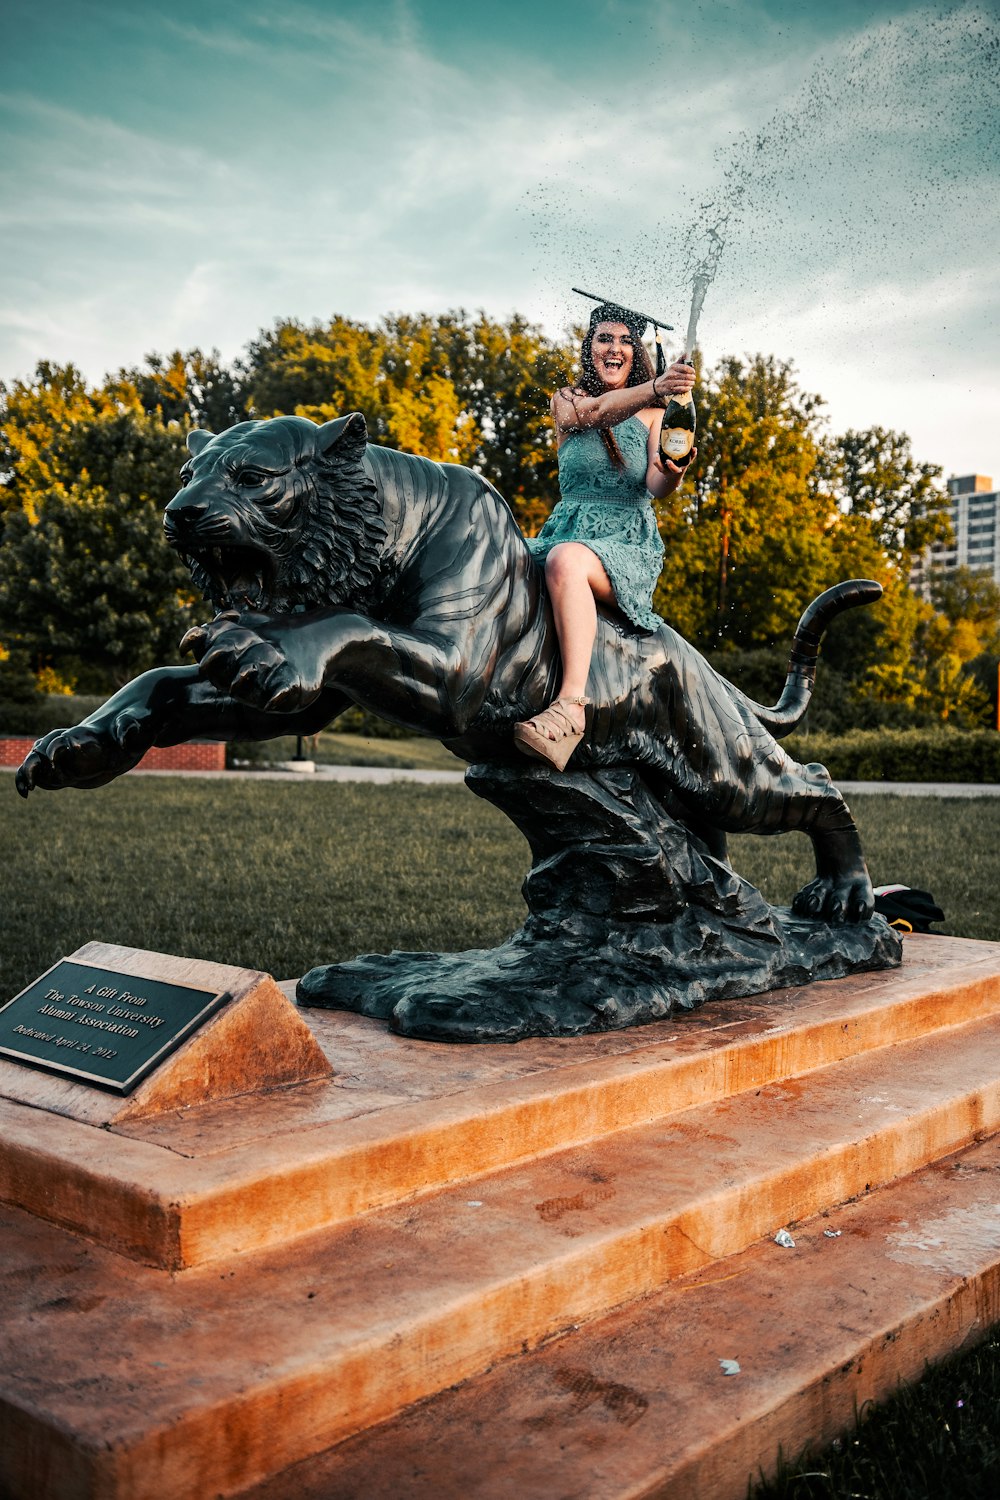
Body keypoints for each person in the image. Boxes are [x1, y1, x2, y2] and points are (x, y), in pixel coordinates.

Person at [514, 302, 697, 769]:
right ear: (589, 347)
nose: (613, 348)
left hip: (623, 543)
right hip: (567, 530)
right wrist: (656, 385)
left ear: (636, 351)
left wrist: (675, 470)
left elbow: (658, 486)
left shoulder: (659, 415)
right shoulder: (567, 401)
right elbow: (595, 414)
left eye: (623, 341)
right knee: (507, 562)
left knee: (565, 562)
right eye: (603, 339)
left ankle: (571, 709)